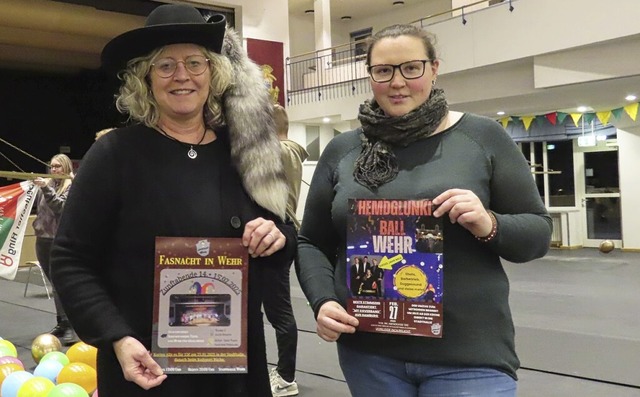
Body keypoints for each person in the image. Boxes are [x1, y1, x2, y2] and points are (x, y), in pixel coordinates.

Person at [50, 4, 295, 397]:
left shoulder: (244, 153)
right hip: (146, 368)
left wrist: (277, 236)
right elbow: (70, 259)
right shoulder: (115, 154)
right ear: (145, 79)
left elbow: (286, 234)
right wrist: (117, 337)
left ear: (214, 73)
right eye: (165, 65)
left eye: (195, 63)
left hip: (232, 372)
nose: (182, 76)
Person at [296, 23, 552, 397]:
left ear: (434, 68)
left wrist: (488, 223)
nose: (397, 82)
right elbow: (311, 241)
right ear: (370, 76)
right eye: (383, 71)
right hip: (369, 354)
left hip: (469, 357)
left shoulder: (481, 138)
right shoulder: (343, 150)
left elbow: (537, 234)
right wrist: (323, 301)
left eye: (411, 68)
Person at [264, 104, 308, 397]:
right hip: (281, 230)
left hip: (278, 231)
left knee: (279, 311)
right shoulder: (291, 150)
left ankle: (286, 377)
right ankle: (281, 372)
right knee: (273, 309)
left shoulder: (281, 151)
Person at [32, 154, 78, 345]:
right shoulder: (47, 185)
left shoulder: (72, 186)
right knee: (55, 284)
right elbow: (40, 210)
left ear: (66, 167)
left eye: (58, 166)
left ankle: (70, 325)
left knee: (61, 284)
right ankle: (62, 322)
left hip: (59, 241)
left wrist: (46, 188)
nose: (54, 170)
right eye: (52, 166)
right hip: (42, 239)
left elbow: (60, 208)